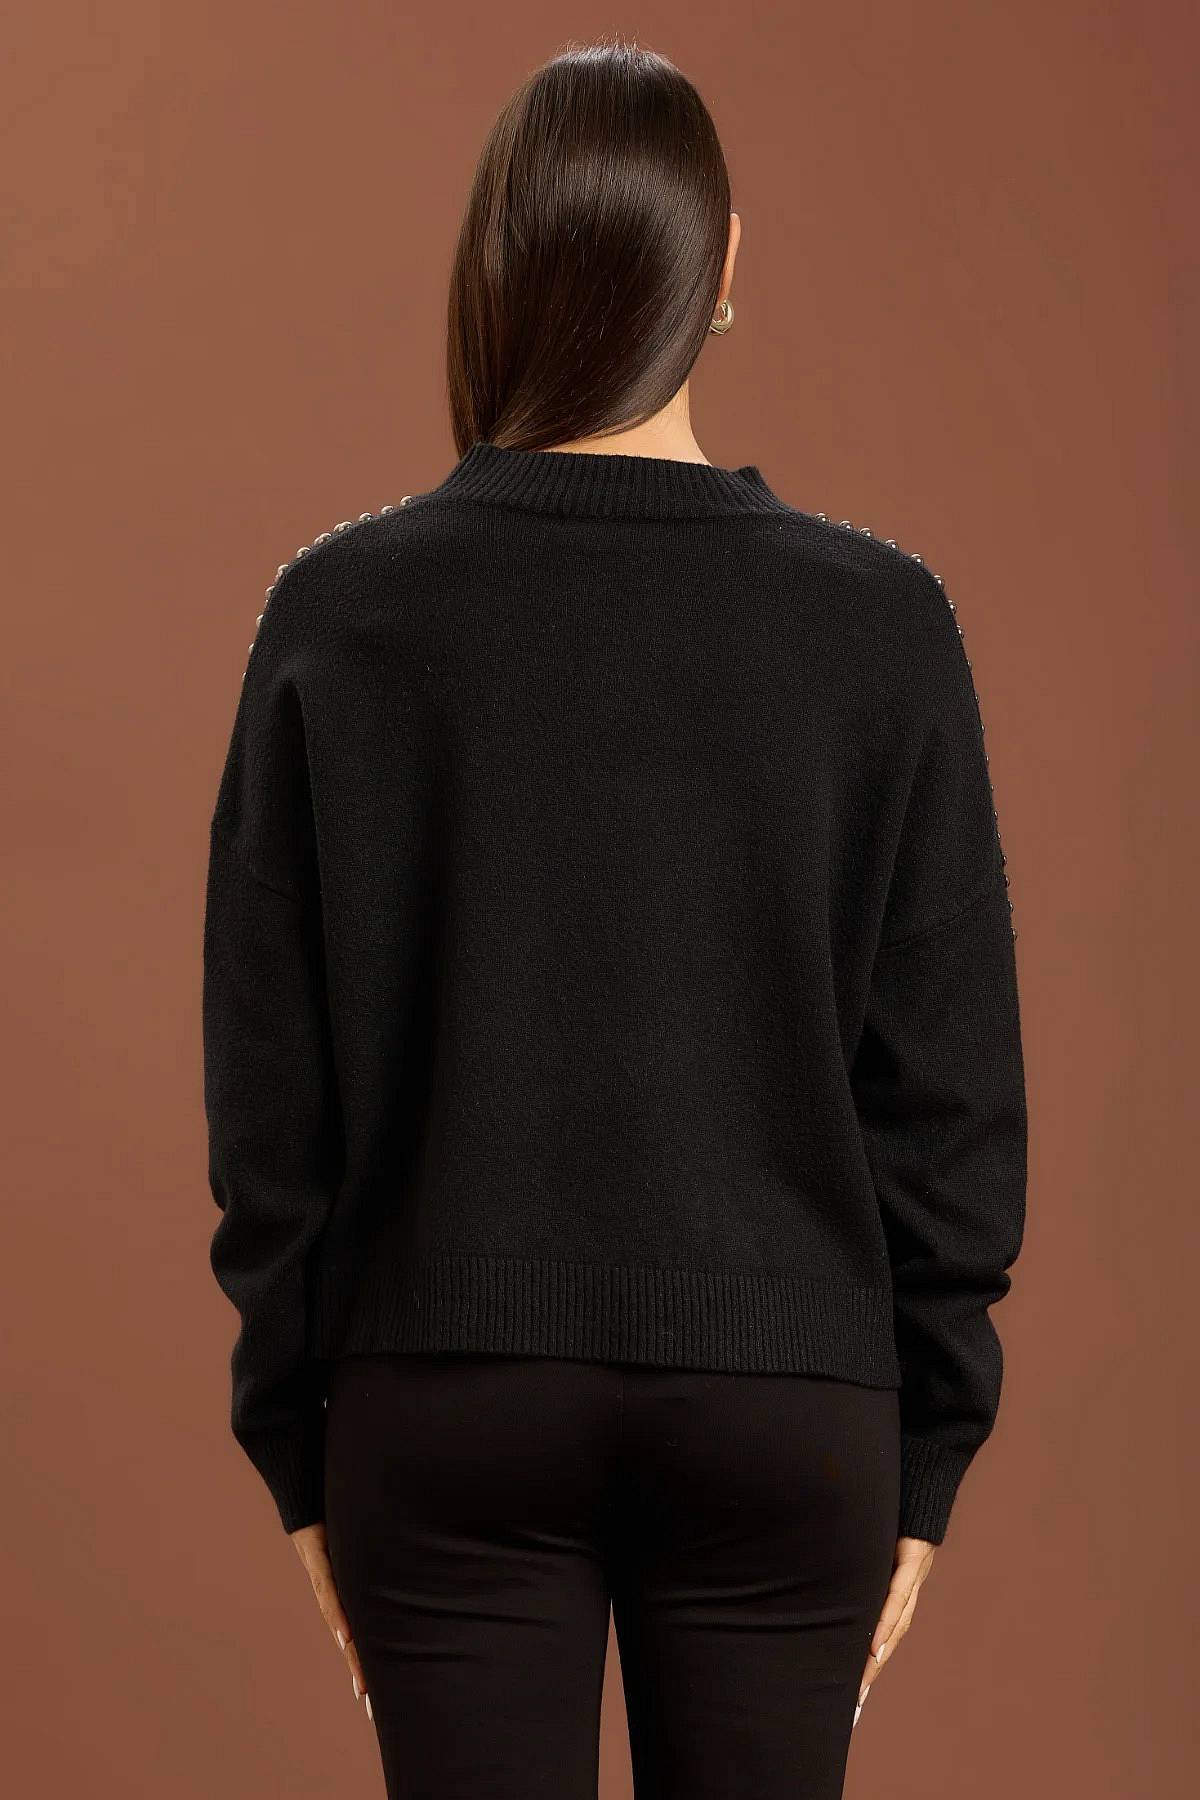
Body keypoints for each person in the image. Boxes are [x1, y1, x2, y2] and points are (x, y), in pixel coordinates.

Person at [201, 39, 1028, 1800]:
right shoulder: (882, 627)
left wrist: (296, 1435)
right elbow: (949, 1092)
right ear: (722, 267)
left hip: (445, 1397)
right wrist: (932, 1440)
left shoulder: (341, 617)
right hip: (788, 1402)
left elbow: (273, 1092)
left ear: (496, 266)